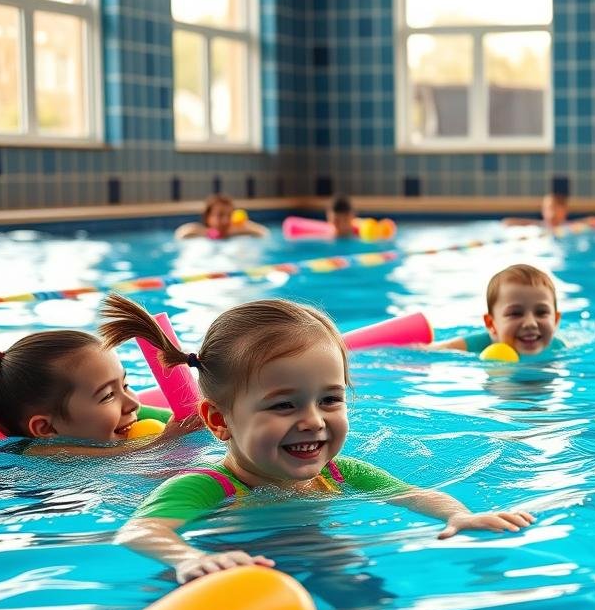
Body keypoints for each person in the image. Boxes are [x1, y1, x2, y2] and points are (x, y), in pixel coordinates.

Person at [100, 293, 535, 583]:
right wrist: (189, 559)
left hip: (304, 550)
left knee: (353, 576)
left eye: (330, 400)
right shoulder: (205, 487)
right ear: (219, 422)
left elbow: (415, 494)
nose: (313, 421)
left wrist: (458, 515)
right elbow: (139, 531)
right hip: (217, 571)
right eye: (284, 405)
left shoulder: (339, 473)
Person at [0, 331, 199, 452]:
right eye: (107, 395)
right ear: (47, 429)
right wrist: (166, 440)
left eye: (125, 385)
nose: (132, 403)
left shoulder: (121, 415)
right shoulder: (43, 451)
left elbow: (182, 417)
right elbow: (115, 457)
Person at [429, 264, 565, 358]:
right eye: (515, 313)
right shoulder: (479, 344)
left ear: (556, 320)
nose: (530, 323)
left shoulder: (559, 348)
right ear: (491, 323)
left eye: (541, 312)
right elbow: (431, 351)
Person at [175, 193, 269, 240]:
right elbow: (180, 234)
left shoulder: (234, 233)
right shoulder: (199, 233)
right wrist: (207, 233)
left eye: (229, 215)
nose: (225, 220)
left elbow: (264, 233)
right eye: (220, 215)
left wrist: (244, 225)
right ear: (208, 216)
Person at [502, 193, 595, 230]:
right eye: (546, 208)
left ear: (564, 211)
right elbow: (507, 222)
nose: (550, 213)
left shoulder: (571, 226)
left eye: (554, 208)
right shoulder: (539, 225)